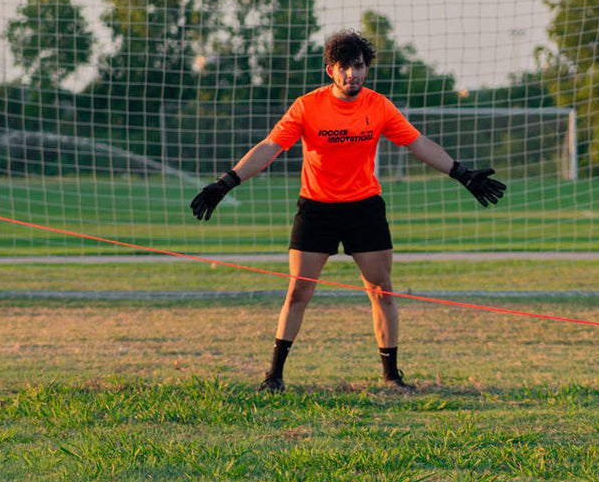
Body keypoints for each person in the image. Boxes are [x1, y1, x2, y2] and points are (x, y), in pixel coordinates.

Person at [190, 29, 505, 391]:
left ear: (367, 68)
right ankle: (273, 376)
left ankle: (392, 377)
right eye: (343, 67)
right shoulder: (307, 106)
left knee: (382, 290)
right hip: (317, 209)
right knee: (298, 293)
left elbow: (418, 143)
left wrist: (462, 173)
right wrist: (226, 182)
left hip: (363, 209)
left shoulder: (379, 106)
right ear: (330, 71)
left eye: (358, 66)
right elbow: (269, 146)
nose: (351, 74)